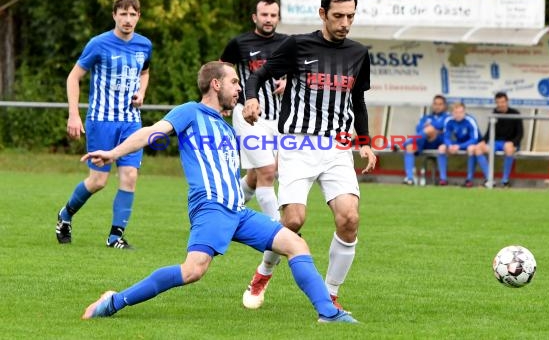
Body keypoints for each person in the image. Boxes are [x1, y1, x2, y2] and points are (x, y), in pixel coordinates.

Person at [80, 61, 356, 323]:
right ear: (215, 84)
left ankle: (328, 314)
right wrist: (114, 153)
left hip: (238, 211)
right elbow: (151, 132)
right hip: (211, 207)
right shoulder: (190, 112)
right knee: (192, 271)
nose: (239, 88)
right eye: (234, 82)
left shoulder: (225, 128)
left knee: (296, 244)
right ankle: (114, 301)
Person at [241, 0, 377, 311]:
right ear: (322, 14)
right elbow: (257, 77)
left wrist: (365, 143)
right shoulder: (297, 45)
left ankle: (330, 296)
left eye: (351, 16)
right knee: (293, 221)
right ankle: (263, 273)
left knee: (349, 218)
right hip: (298, 145)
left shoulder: (358, 54)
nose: (345, 22)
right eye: (338, 16)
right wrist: (251, 99)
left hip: (336, 147)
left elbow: (357, 101)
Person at [55, 0, 152, 249]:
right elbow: (73, 77)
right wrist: (74, 114)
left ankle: (115, 237)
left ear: (138, 17)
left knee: (129, 176)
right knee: (98, 181)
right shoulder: (98, 44)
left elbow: (145, 72)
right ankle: (65, 215)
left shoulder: (144, 45)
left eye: (133, 15)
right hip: (101, 121)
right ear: (114, 16)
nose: (128, 19)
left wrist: (141, 93)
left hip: (131, 122)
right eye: (123, 14)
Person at [220, 0, 288, 220]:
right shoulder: (240, 44)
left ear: (278, 17)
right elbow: (222, 70)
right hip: (248, 116)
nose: (268, 19)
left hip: (278, 118)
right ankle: (277, 228)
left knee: (254, 176)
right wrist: (225, 100)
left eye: (273, 15)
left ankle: (223, 211)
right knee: (268, 171)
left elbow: (299, 72)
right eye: (264, 15)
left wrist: (287, 81)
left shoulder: (287, 43)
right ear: (254, 17)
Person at [474, 92, 523, 187]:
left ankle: (505, 180)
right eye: (498, 102)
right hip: (496, 143)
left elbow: (520, 133)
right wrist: (483, 141)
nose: (501, 105)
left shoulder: (515, 114)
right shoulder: (494, 113)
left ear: (507, 101)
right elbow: (489, 131)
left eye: (503, 102)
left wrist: (513, 143)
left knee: (509, 149)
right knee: (478, 149)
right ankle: (489, 179)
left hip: (510, 143)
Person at [402, 95, 450, 185]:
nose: (437, 106)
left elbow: (442, 127)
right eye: (435, 104)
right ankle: (409, 178)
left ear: (444, 106)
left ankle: (443, 179)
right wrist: (431, 128)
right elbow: (418, 128)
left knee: (430, 129)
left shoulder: (448, 117)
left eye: (440, 104)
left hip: (440, 142)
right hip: (425, 142)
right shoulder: (426, 117)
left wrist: (431, 128)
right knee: (410, 147)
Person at [437, 102, 481, 187]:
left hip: (468, 143)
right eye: (456, 112)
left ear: (464, 112)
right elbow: (446, 137)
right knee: (441, 148)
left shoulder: (470, 120)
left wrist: (460, 146)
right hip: (456, 143)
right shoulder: (449, 120)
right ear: (452, 113)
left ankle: (469, 179)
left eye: (460, 112)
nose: (458, 115)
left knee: (471, 149)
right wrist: (450, 145)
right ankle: (443, 179)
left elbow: (474, 139)